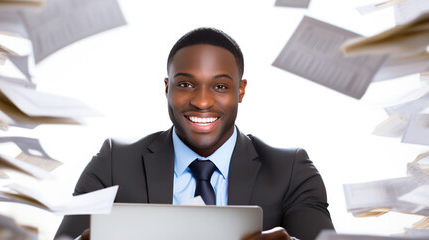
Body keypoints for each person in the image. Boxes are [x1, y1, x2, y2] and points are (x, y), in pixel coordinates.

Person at [55, 27, 334, 240]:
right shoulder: (115, 162)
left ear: (241, 90)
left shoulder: (290, 170)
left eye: (221, 87)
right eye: (186, 84)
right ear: (167, 88)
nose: (202, 101)